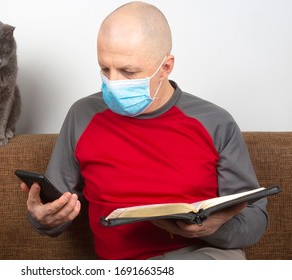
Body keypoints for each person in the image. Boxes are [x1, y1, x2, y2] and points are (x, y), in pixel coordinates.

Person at [20, 1, 268, 260]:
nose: (113, 83)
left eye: (128, 72)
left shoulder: (215, 122)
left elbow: (255, 218)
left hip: (204, 257)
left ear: (165, 67)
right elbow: (55, 210)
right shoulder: (81, 116)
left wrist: (214, 229)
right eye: (105, 68)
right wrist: (43, 220)